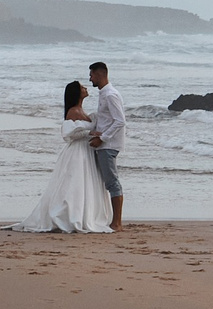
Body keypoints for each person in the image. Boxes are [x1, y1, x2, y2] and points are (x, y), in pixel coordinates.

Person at [8, 80, 111, 233]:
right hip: (77, 152)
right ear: (77, 93)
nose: (85, 88)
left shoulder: (82, 111)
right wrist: (89, 132)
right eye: (82, 87)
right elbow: (68, 133)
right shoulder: (73, 112)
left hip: (87, 151)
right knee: (74, 184)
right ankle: (69, 215)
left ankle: (83, 214)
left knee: (83, 184)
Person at [87, 61, 127, 231]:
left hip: (109, 145)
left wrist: (102, 138)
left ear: (99, 74)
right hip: (105, 143)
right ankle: (108, 218)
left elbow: (120, 120)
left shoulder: (110, 94)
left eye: (91, 75)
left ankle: (117, 223)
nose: (90, 79)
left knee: (112, 182)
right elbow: (106, 119)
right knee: (107, 182)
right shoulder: (104, 94)